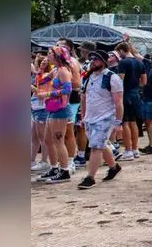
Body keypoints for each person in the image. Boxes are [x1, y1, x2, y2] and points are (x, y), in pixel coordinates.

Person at [77, 50, 124, 189]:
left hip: (105, 118)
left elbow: (118, 102)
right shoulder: (88, 77)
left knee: (95, 146)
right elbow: (84, 97)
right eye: (91, 59)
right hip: (90, 118)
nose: (92, 61)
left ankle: (90, 177)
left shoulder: (112, 78)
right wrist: (83, 116)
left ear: (103, 61)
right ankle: (114, 167)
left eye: (96, 59)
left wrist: (118, 122)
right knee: (101, 145)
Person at [35, 45, 75, 184]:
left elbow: (67, 90)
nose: (48, 55)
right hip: (52, 109)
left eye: (50, 53)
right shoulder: (55, 70)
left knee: (58, 141)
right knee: (48, 140)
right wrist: (41, 69)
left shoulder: (63, 71)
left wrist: (47, 94)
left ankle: (64, 171)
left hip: (60, 109)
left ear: (57, 56)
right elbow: (40, 82)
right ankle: (54, 168)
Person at [113, 41, 147, 162]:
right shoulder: (140, 62)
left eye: (119, 53)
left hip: (125, 94)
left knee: (125, 123)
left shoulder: (123, 62)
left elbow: (120, 80)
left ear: (122, 50)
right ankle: (135, 149)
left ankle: (128, 150)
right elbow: (144, 82)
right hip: (136, 94)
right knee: (133, 122)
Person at [56, 38, 84, 170]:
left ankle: (71, 160)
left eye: (61, 45)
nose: (57, 47)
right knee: (60, 131)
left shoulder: (71, 62)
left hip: (71, 98)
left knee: (68, 131)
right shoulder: (59, 64)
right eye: (57, 45)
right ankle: (63, 160)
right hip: (61, 99)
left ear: (69, 48)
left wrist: (62, 86)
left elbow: (77, 84)